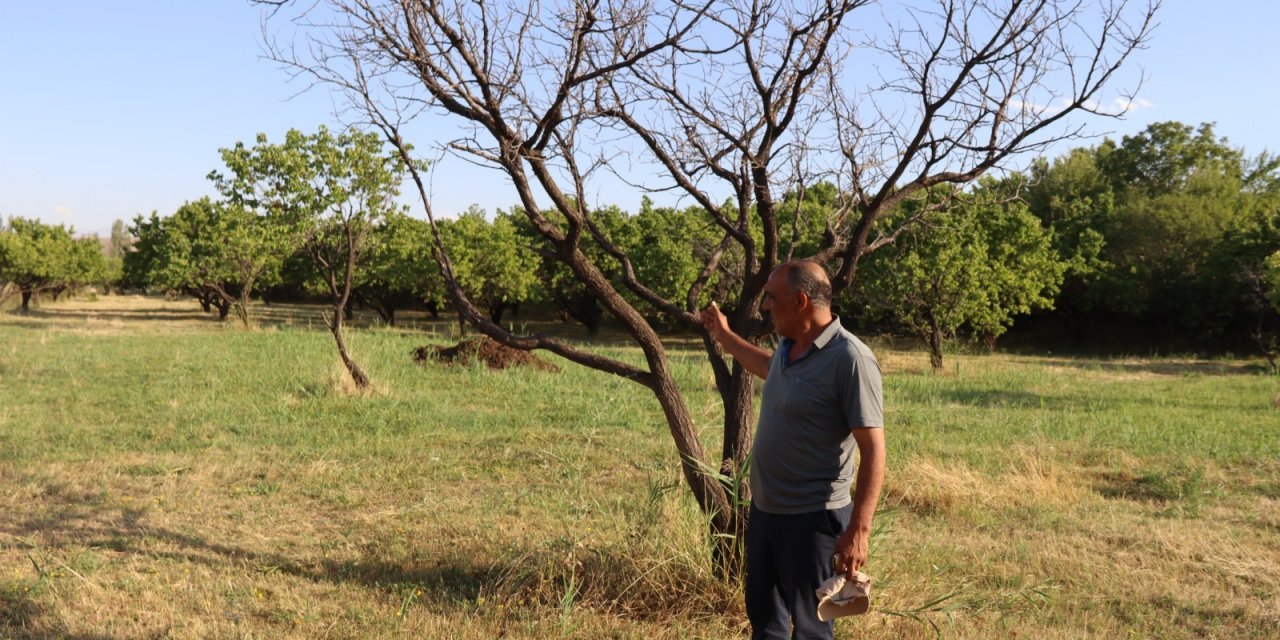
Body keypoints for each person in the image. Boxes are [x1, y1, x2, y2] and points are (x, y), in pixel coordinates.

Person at [701, 260, 885, 640]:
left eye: (772, 297)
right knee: (765, 623)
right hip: (767, 512)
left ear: (800, 301)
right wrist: (723, 334)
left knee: (811, 630)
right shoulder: (789, 347)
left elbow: (874, 449)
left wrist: (859, 531)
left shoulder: (851, 359)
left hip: (813, 521)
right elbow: (767, 366)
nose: (766, 306)